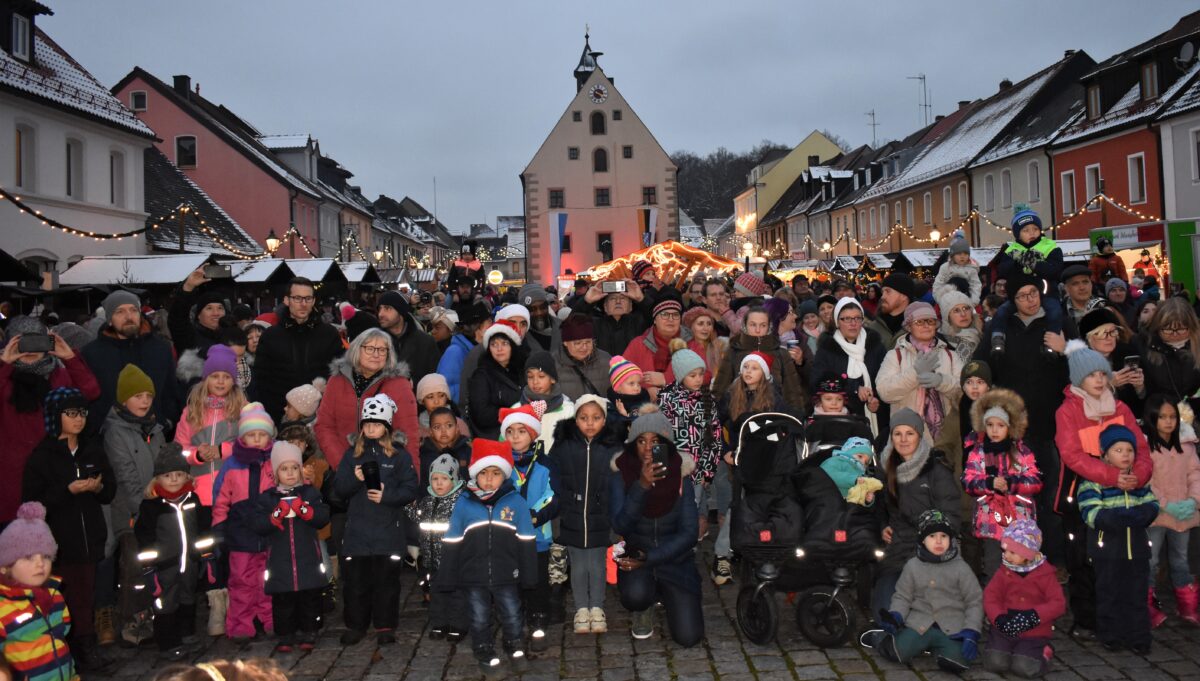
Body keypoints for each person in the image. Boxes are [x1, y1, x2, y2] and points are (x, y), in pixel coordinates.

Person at [1054, 340, 1153, 638]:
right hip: (1079, 493)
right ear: (1078, 378)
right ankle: (1087, 619)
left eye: (1102, 374)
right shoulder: (1067, 411)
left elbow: (1142, 450)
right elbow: (1072, 455)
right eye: (1091, 375)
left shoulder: (1120, 408)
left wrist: (1138, 476)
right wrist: (1111, 476)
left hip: (1124, 493)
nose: (1099, 380)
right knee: (1082, 557)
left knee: (1122, 556)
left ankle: (1122, 616)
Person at [975, 272, 1072, 565]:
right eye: (1022, 296)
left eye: (1033, 293)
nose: (1030, 300)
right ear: (1012, 300)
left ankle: (1054, 560)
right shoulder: (1001, 328)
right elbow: (980, 365)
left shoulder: (1059, 324)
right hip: (1014, 427)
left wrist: (1065, 349)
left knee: (1052, 495)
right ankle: (1018, 558)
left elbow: (1081, 366)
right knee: (1018, 496)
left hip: (1051, 424)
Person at [21, 387, 115, 671]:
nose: (78, 419)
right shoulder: (42, 456)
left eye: (82, 413)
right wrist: (68, 491)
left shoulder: (92, 448)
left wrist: (97, 487)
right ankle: (68, 652)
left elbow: (109, 490)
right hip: (60, 542)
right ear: (56, 416)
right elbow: (32, 504)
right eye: (71, 413)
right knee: (65, 599)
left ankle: (86, 650)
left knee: (86, 596)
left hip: (90, 537)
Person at [439, 439, 537, 677]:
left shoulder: (516, 502)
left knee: (512, 613)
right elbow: (452, 540)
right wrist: (447, 576)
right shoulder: (464, 504)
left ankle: (514, 644)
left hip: (507, 573)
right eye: (484, 473)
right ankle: (483, 648)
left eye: (495, 473)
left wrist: (529, 575)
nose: (489, 479)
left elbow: (526, 540)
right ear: (475, 475)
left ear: (504, 475)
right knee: (479, 616)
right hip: (474, 575)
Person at [610, 408, 703, 647]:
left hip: (674, 559)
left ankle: (666, 593)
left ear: (666, 444)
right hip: (636, 552)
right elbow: (620, 524)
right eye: (641, 441)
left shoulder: (681, 474)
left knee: (688, 637)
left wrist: (650, 558)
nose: (648, 448)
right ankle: (644, 606)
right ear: (633, 444)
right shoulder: (622, 471)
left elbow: (689, 533)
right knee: (635, 597)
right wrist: (641, 486)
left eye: (655, 441)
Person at [334, 395, 420, 646]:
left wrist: (387, 495)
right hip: (357, 534)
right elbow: (338, 490)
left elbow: (410, 489)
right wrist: (355, 479)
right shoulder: (352, 455)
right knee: (355, 584)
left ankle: (385, 626)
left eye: (377, 424)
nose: (371, 428)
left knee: (387, 584)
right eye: (367, 424)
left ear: (387, 427)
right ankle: (356, 625)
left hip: (387, 533)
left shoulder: (399, 456)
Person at [0, 316, 100, 522]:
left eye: (36, 340)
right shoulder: (5, 379)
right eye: (22, 342)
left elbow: (90, 392)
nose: (30, 349)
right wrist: (4, 364)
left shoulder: (58, 376)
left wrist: (70, 357)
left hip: (55, 473)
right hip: (12, 476)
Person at [863, 509, 983, 674]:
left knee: (957, 662)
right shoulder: (913, 565)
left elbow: (974, 601)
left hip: (951, 627)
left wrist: (971, 631)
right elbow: (903, 596)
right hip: (919, 624)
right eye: (932, 536)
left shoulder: (961, 568)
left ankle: (938, 648)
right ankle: (879, 637)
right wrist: (897, 615)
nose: (939, 541)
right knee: (897, 652)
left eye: (944, 536)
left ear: (951, 539)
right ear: (923, 540)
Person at [102, 364, 173, 641]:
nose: (144, 401)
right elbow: (125, 477)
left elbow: (165, 466)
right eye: (137, 396)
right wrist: (143, 509)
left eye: (148, 396)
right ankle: (132, 620)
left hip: (157, 510)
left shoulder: (156, 429)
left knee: (158, 563)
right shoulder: (115, 432)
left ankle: (158, 616)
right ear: (124, 400)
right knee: (134, 567)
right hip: (132, 513)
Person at [873, 409, 962, 621]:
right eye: (898, 434)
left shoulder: (936, 470)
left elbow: (951, 517)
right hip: (897, 550)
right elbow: (879, 507)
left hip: (931, 550)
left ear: (920, 436)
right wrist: (882, 525)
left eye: (910, 433)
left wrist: (930, 535)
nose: (903, 440)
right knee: (885, 610)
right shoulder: (885, 468)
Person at [1077, 424, 1158, 653]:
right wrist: (1122, 517)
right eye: (1118, 450)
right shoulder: (1094, 481)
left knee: (1137, 594)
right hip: (1108, 551)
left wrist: (1141, 514)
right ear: (1105, 454)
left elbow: (1152, 504)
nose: (1125, 455)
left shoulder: (1137, 481)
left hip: (1138, 550)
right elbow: (1091, 512)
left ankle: (1138, 636)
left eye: (1129, 450)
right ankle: (1111, 634)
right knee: (1109, 593)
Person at [549, 395, 621, 635]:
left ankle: (597, 607)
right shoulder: (563, 445)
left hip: (601, 516)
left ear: (604, 420)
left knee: (597, 564)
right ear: (575, 419)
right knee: (578, 565)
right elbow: (554, 479)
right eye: (584, 418)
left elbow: (619, 484)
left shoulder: (613, 447)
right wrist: (560, 512)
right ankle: (581, 608)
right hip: (572, 515)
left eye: (596, 418)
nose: (590, 423)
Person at [134, 447, 213, 660]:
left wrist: (206, 554)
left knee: (188, 597)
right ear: (157, 478)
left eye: (179, 474)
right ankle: (168, 642)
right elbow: (144, 538)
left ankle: (187, 633)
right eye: (168, 475)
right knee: (165, 603)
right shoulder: (152, 506)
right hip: (164, 565)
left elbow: (202, 529)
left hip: (190, 561)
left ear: (187, 476)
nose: (174, 480)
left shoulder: (192, 499)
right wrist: (149, 566)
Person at [252, 442, 329, 653]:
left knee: (310, 598)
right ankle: (285, 635)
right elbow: (258, 524)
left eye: (295, 468)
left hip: (307, 559)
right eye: (284, 469)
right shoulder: (268, 498)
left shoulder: (310, 493)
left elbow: (322, 516)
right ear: (276, 473)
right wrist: (277, 514)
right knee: (282, 600)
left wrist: (304, 509)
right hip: (280, 561)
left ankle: (310, 630)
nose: (290, 473)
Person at [211, 403, 276, 641]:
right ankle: (241, 624)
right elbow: (220, 498)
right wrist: (219, 527)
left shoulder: (274, 460)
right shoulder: (232, 464)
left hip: (269, 529)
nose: (257, 439)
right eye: (251, 435)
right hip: (240, 532)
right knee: (240, 581)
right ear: (242, 437)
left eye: (262, 434)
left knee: (268, 578)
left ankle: (270, 619)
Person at [961, 389, 1042, 579]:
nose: (994, 430)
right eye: (990, 425)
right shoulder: (977, 453)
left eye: (1000, 425)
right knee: (993, 568)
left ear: (1010, 427)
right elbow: (968, 480)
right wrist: (989, 483)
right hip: (990, 523)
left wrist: (1012, 484)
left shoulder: (1022, 452)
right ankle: (994, 597)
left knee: (1020, 569)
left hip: (1019, 523)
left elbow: (1035, 481)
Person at [314, 328, 421, 472]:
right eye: (370, 349)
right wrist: (342, 464)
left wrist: (412, 477)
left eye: (382, 350)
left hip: (386, 471)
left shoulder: (399, 385)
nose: (376, 354)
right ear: (357, 350)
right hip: (343, 466)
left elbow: (409, 435)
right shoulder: (337, 381)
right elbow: (324, 426)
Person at [499, 406, 558, 648]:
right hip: (507, 535)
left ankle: (538, 620)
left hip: (537, 535)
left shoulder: (545, 463)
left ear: (532, 434)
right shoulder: (500, 464)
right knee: (510, 580)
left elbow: (552, 495)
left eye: (521, 431)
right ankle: (513, 622)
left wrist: (534, 515)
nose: (515, 436)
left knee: (537, 580)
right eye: (510, 431)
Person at [250, 278, 343, 423]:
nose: (303, 304)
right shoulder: (271, 336)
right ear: (287, 300)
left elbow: (338, 375)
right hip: (279, 415)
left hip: (320, 415)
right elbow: (261, 379)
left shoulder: (329, 334)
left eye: (308, 298)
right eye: (297, 298)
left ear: (313, 301)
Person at [0, 502, 76, 680]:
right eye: (29, 557)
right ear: (4, 566)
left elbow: (62, 636)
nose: (40, 563)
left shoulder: (55, 596)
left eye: (46, 556)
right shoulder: (4, 606)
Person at [981, 520, 1066, 678]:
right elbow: (991, 596)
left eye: (1012, 552)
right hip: (1004, 629)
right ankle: (1010, 650)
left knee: (1024, 667)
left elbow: (1058, 603)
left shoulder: (1045, 574)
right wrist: (998, 617)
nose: (1006, 556)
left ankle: (1045, 653)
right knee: (994, 663)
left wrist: (1034, 615)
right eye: (1005, 550)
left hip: (1034, 632)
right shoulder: (1004, 570)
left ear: (1028, 553)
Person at [876, 302, 963, 455]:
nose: (926, 325)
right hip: (908, 439)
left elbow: (964, 393)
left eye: (930, 321)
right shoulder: (895, 356)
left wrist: (941, 381)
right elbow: (885, 392)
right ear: (908, 326)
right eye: (919, 322)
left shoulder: (951, 355)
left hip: (948, 438)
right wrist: (915, 373)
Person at [1143, 395, 1200, 627]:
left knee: (1181, 559)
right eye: (1162, 417)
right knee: (1151, 560)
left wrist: (1194, 500)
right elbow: (1146, 482)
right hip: (1157, 515)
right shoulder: (1145, 448)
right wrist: (1166, 504)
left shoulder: (1187, 446)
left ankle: (1187, 606)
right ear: (1152, 418)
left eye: (1172, 417)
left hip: (1184, 515)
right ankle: (1147, 606)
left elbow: (1195, 475)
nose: (1168, 422)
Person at [174, 345, 245, 507]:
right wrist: (196, 455)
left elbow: (253, 446)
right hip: (199, 494)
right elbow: (179, 450)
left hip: (234, 493)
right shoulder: (191, 412)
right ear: (205, 379)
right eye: (215, 376)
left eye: (226, 376)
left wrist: (222, 450)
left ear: (233, 381)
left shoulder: (243, 410)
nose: (220, 381)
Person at [406, 454, 466, 640]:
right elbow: (418, 517)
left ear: (454, 480)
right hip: (431, 559)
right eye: (435, 479)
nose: (439, 483)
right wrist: (408, 506)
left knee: (456, 595)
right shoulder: (427, 501)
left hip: (454, 560)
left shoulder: (460, 503)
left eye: (444, 479)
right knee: (436, 594)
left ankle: (458, 625)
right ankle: (439, 623)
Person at [992, 205, 1064, 355]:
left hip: (1047, 293)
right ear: (1018, 234)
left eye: (1035, 229)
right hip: (1020, 295)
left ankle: (1051, 343)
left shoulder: (1050, 247)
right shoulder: (1012, 250)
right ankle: (997, 339)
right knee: (1001, 312)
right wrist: (1017, 260)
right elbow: (1002, 271)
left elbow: (1055, 270)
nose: (1032, 233)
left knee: (1055, 312)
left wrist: (1034, 264)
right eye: (1026, 230)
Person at [712, 307, 806, 410]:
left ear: (769, 327)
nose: (757, 330)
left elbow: (792, 392)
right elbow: (720, 390)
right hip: (739, 414)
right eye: (753, 325)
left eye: (763, 325)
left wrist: (796, 415)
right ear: (745, 326)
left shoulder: (781, 354)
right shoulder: (734, 352)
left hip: (774, 415)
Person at [1139, 297, 1200, 415]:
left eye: (1181, 329)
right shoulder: (1143, 345)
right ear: (1157, 327)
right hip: (1160, 416)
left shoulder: (1197, 344)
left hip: (1194, 414)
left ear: (1192, 326)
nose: (1174, 334)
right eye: (1168, 330)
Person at [1077, 308, 1144, 413]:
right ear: (1089, 338)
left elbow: (1143, 402)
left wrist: (1139, 387)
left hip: (1128, 418)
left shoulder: (1127, 354)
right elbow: (1078, 404)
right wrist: (1108, 384)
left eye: (1112, 332)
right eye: (1103, 333)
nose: (1109, 338)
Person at [468, 321, 527, 440]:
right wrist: (513, 411)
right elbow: (481, 414)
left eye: (504, 343)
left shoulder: (522, 370)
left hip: (522, 434)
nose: (499, 349)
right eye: (494, 344)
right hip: (494, 438)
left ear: (512, 345)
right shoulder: (482, 375)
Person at [568, 280, 652, 357]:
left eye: (623, 298)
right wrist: (586, 301)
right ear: (605, 307)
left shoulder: (639, 322)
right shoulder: (595, 325)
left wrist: (642, 299)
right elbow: (572, 324)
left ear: (630, 306)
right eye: (612, 299)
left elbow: (656, 317)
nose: (618, 302)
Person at [377, 290, 440, 388]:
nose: (380, 314)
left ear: (401, 311)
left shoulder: (425, 342)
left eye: (387, 308)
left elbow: (434, 379)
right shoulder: (375, 342)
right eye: (379, 309)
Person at [622, 300, 685, 396]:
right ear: (655, 320)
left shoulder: (691, 343)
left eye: (675, 315)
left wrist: (666, 379)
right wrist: (644, 393)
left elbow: (703, 376)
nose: (671, 319)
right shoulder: (638, 344)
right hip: (643, 402)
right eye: (665, 314)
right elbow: (622, 376)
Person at [517, 351, 574, 452]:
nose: (535, 382)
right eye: (530, 377)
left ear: (553, 379)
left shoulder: (568, 410)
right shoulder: (516, 410)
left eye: (541, 376)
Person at [168, 269, 229, 361]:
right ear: (199, 315)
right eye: (209, 308)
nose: (216, 313)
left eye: (220, 308)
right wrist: (188, 287)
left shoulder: (233, 337)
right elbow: (177, 318)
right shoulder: (189, 336)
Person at [437, 300, 491, 403]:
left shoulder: (478, 349)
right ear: (477, 329)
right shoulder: (455, 352)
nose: (492, 328)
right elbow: (447, 390)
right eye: (488, 325)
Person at [552, 314, 612, 402]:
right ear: (565, 342)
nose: (584, 347)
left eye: (588, 342)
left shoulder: (606, 361)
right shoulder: (552, 364)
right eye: (578, 343)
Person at [819, 437, 881, 504]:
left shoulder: (862, 475)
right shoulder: (837, 460)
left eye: (866, 462)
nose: (863, 462)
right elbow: (828, 474)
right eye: (860, 456)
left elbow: (860, 497)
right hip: (828, 499)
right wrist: (854, 480)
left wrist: (867, 499)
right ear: (848, 452)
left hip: (848, 506)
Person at [415, 374, 470, 441]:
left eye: (441, 395)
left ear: (447, 397)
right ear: (422, 400)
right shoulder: (416, 428)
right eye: (430, 397)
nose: (436, 401)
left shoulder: (459, 425)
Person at [866, 273, 915, 349]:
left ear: (904, 296)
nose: (883, 297)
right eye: (882, 292)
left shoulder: (919, 328)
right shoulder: (871, 329)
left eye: (888, 291)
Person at [680, 306, 725, 383]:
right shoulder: (685, 350)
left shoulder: (720, 346)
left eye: (709, 324)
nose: (705, 328)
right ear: (690, 327)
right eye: (700, 324)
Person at [516, 283, 563, 353]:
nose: (539, 313)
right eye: (532, 309)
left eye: (543, 307)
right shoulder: (519, 336)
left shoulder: (563, 327)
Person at [939, 291, 983, 365]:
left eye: (966, 308)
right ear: (947, 316)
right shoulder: (939, 341)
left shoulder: (983, 332)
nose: (963, 314)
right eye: (956, 310)